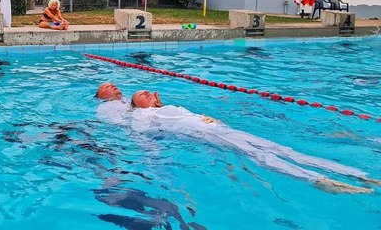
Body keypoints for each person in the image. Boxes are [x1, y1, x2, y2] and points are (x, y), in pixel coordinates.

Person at [127, 90, 380, 194]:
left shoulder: (166, 105)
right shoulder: (143, 114)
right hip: (205, 135)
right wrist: (153, 155)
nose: (147, 94)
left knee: (279, 148)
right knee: (260, 156)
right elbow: (141, 134)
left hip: (217, 129)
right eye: (141, 95)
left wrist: (211, 119)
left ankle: (359, 175)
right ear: (137, 104)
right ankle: (318, 181)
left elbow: (190, 116)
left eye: (147, 92)